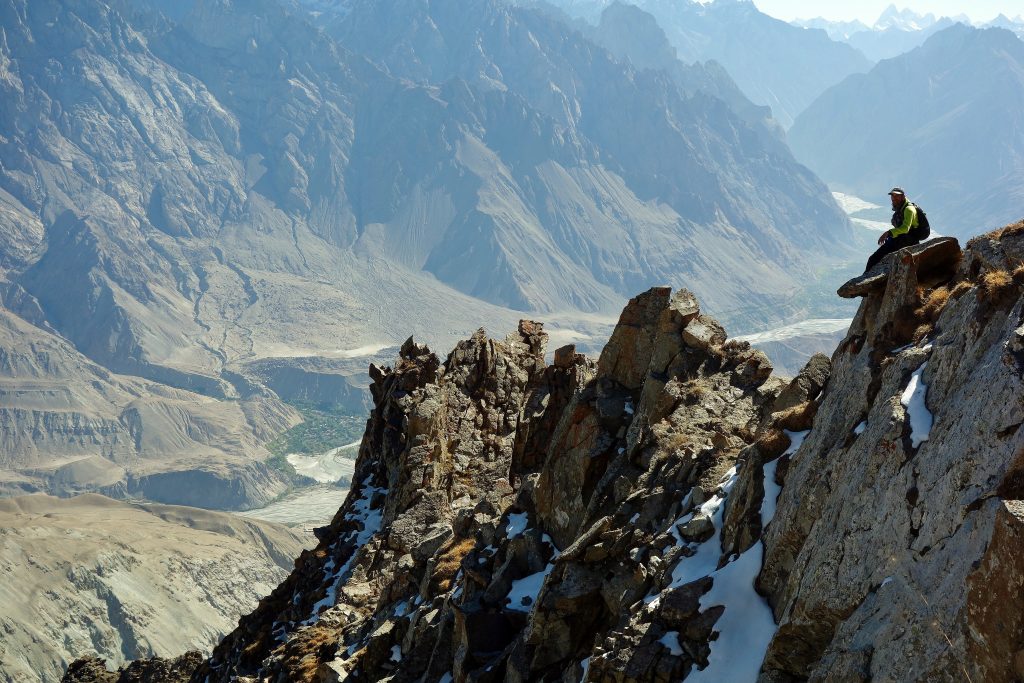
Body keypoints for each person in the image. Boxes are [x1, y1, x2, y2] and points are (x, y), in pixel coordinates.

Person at [864, 187, 929, 272]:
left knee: (875, 259)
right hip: (904, 238)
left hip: (907, 240)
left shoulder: (909, 209)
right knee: (873, 259)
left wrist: (889, 233)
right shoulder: (901, 207)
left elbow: (905, 228)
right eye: (892, 196)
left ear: (903, 196)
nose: (894, 198)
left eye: (897, 196)